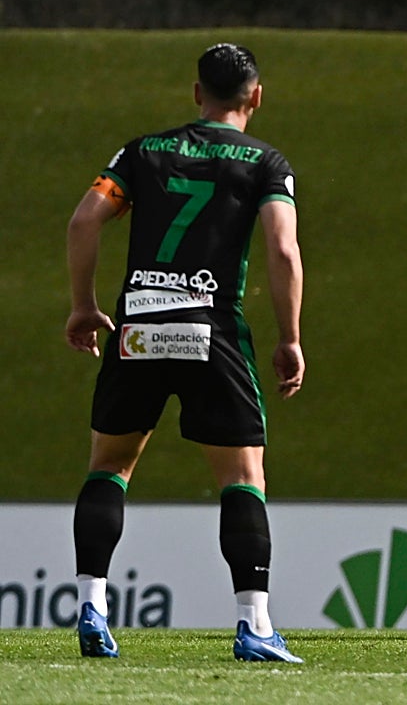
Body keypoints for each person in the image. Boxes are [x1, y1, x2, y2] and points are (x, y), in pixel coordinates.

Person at [65, 44, 304, 662]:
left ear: (196, 93)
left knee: (110, 467)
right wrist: (289, 337)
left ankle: (92, 606)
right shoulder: (265, 162)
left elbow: (84, 221)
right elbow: (282, 251)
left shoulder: (142, 152)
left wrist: (84, 305)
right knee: (243, 478)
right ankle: (254, 625)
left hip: (139, 326)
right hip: (212, 330)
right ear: (256, 95)